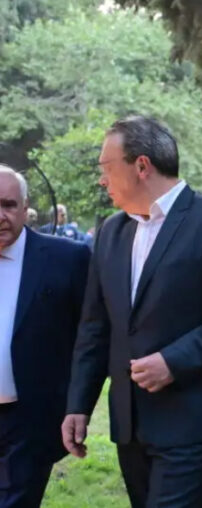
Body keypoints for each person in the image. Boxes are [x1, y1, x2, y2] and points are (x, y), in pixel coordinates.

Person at [63, 116, 202, 508]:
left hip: (194, 420)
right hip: (130, 424)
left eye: (107, 168)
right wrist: (78, 405)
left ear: (141, 166)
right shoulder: (111, 231)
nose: (102, 180)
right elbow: (96, 326)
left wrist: (175, 361)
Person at [0, 166, 90, 508]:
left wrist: (77, 405)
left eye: (8, 205)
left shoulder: (66, 259)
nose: (0, 215)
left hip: (30, 420)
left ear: (26, 208)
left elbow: (90, 337)